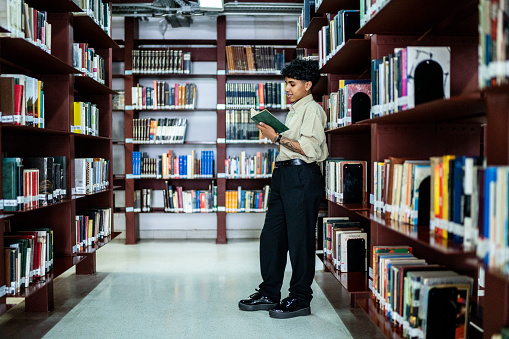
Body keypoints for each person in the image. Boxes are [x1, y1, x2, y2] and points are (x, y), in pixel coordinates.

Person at [238, 58, 328, 319]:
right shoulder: (295, 110)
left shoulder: (312, 110)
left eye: (292, 84)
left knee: (299, 239)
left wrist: (276, 137)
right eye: (286, 84)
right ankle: (269, 293)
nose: (287, 89)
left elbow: (310, 149)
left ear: (308, 85)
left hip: (302, 175)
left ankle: (300, 298)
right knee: (272, 236)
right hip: (283, 176)